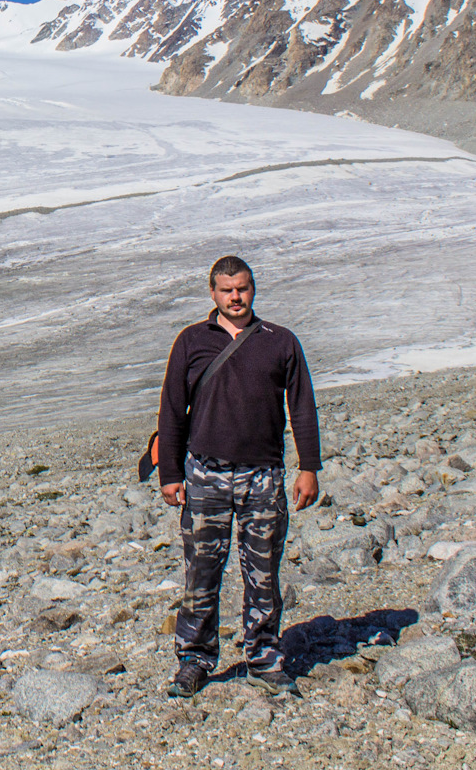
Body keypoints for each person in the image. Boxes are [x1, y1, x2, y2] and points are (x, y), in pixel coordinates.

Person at [157, 255, 320, 698]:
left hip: (263, 477)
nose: (235, 297)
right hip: (205, 475)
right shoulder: (191, 341)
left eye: (242, 288)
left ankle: (264, 656)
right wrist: (170, 473)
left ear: (253, 289)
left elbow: (302, 406)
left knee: (263, 572)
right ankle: (194, 659)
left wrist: (309, 467)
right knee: (202, 573)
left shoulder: (280, 341)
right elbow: (172, 408)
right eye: (227, 289)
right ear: (212, 293)